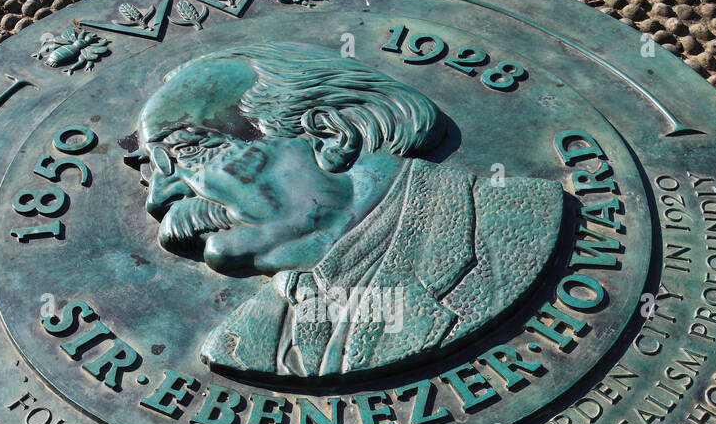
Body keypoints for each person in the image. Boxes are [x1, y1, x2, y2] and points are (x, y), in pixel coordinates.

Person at [125, 42, 565, 379]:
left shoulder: (516, 224)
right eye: (153, 170)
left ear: (331, 136)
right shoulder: (242, 343)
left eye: (188, 150)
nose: (158, 198)